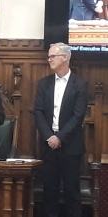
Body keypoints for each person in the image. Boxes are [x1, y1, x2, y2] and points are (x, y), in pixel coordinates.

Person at [34, 42, 88, 217]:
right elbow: (38, 112)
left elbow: (78, 116)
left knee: (72, 193)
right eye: (48, 56)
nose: (49, 59)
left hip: (71, 147)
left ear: (65, 57)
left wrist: (60, 138)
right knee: (50, 193)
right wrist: (50, 136)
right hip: (49, 146)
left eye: (52, 56)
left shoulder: (79, 84)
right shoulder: (44, 84)